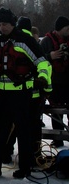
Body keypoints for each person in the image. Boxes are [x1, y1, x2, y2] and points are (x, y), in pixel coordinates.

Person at [0, 8, 51, 179]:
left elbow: (43, 63)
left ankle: (25, 168)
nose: (2, 28)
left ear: (12, 24)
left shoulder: (24, 41)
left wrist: (42, 78)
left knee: (24, 132)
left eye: (5, 24)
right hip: (2, 94)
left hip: (22, 94)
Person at [40, 16, 69, 148]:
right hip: (54, 83)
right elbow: (38, 59)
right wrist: (50, 56)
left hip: (67, 82)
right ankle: (58, 139)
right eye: (67, 28)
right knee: (56, 111)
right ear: (59, 29)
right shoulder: (46, 41)